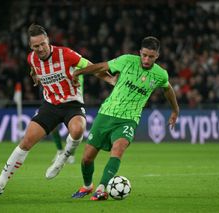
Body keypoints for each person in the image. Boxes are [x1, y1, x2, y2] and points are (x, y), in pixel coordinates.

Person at [0, 24, 116, 195]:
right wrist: (35, 76)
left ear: (48, 40)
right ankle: (0, 183)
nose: (40, 48)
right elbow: (33, 68)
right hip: (50, 105)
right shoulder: (32, 58)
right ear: (31, 47)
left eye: (43, 44)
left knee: (78, 130)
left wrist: (110, 80)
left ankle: (62, 158)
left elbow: (92, 67)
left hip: (72, 104)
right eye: (36, 46)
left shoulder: (66, 54)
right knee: (26, 141)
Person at [71, 36, 179, 201]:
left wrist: (175, 110)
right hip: (106, 114)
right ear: (140, 52)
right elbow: (101, 66)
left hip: (129, 119)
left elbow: (168, 88)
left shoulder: (160, 74)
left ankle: (101, 189)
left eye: (151, 56)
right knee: (87, 158)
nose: (146, 59)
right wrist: (78, 72)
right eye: (144, 55)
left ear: (157, 55)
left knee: (118, 149)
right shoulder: (127, 60)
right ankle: (87, 186)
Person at [51, 75, 84, 164]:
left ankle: (71, 154)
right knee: (52, 125)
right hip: (57, 98)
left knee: (73, 128)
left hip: (74, 100)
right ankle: (59, 150)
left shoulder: (79, 67)